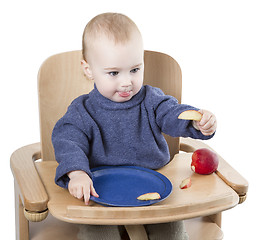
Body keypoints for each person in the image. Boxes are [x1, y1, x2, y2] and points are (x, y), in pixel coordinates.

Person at [52, 12, 217, 240]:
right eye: (113, 73)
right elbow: (67, 141)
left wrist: (198, 122)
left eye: (135, 69)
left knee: (171, 232)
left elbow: (172, 113)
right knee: (99, 234)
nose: (126, 82)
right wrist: (77, 173)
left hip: (153, 187)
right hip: (99, 190)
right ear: (88, 69)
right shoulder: (82, 110)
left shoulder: (151, 100)